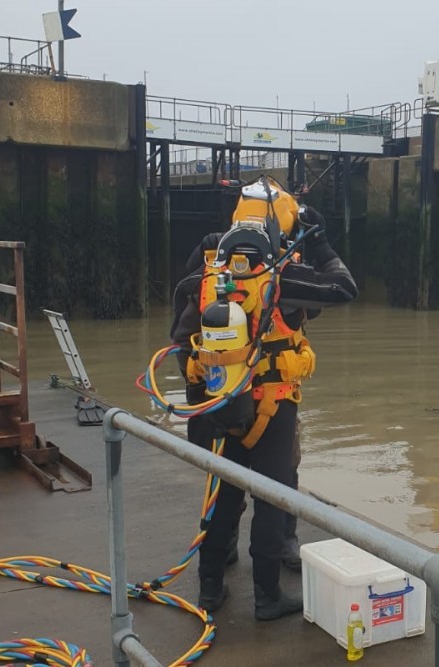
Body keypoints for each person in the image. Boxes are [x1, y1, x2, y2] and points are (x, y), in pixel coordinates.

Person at [171, 180, 357, 621]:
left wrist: (205, 251)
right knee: (272, 499)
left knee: (222, 493)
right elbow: (344, 287)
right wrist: (323, 244)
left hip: (220, 402)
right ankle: (267, 597)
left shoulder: (205, 279)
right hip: (273, 407)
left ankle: (211, 589)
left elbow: (181, 342)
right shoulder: (285, 277)